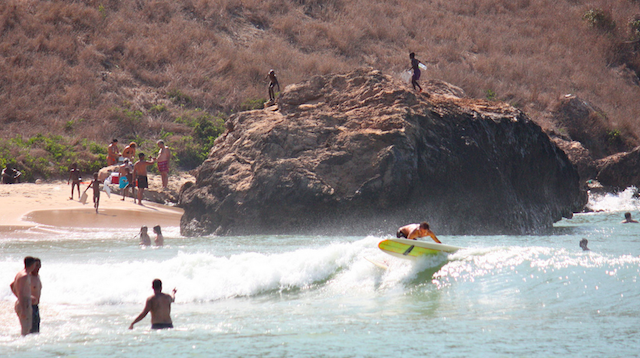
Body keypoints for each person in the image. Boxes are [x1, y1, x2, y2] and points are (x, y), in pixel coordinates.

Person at [10, 256, 37, 336]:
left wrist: (28, 296)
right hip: (24, 304)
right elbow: (21, 292)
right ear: (32, 265)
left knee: (27, 328)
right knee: (26, 329)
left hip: (23, 302)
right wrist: (23, 309)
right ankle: (23, 347)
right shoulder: (24, 276)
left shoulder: (20, 274)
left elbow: (12, 285)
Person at [30, 258, 42, 334]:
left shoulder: (37, 277)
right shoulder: (27, 277)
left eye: (39, 265)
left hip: (36, 306)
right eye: (36, 265)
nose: (38, 267)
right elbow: (13, 286)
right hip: (29, 306)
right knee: (29, 330)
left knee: (36, 331)